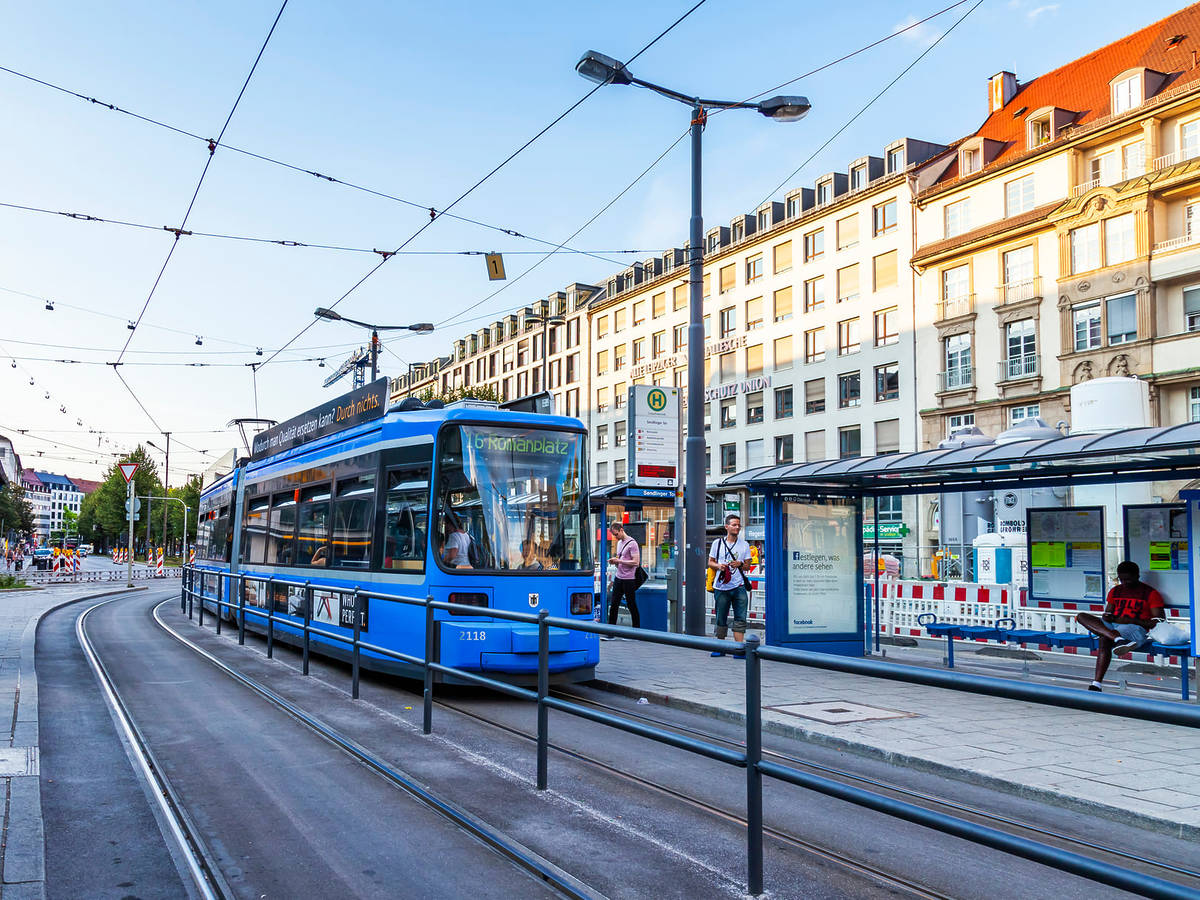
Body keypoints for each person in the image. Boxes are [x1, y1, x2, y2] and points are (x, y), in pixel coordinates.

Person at [1076, 561, 1165, 692]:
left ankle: (1096, 683)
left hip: (1134, 628)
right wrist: (1108, 616)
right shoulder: (1115, 591)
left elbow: (1159, 621)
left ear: (1137, 576)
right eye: (1121, 579)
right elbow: (1108, 612)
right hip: (1113, 626)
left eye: (1128, 579)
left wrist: (1132, 620)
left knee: (1104, 639)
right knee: (1081, 616)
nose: (1125, 583)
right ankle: (1117, 638)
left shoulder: (1150, 593)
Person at [709, 514, 752, 658]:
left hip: (738, 586)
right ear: (727, 526)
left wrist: (740, 564)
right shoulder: (717, 543)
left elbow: (747, 566)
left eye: (739, 525)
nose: (737, 527)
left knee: (740, 617)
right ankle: (719, 647)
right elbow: (710, 562)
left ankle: (738, 650)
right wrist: (719, 566)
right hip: (721, 586)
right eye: (734, 525)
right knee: (721, 617)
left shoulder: (744, 544)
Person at [604, 521, 640, 637]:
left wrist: (619, 561)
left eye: (616, 534)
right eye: (614, 535)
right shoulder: (619, 543)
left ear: (621, 530)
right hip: (619, 577)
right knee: (614, 604)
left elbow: (636, 562)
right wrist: (615, 561)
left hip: (629, 579)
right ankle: (611, 632)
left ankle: (636, 632)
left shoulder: (632, 543)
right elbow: (621, 558)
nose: (615, 537)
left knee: (631, 604)